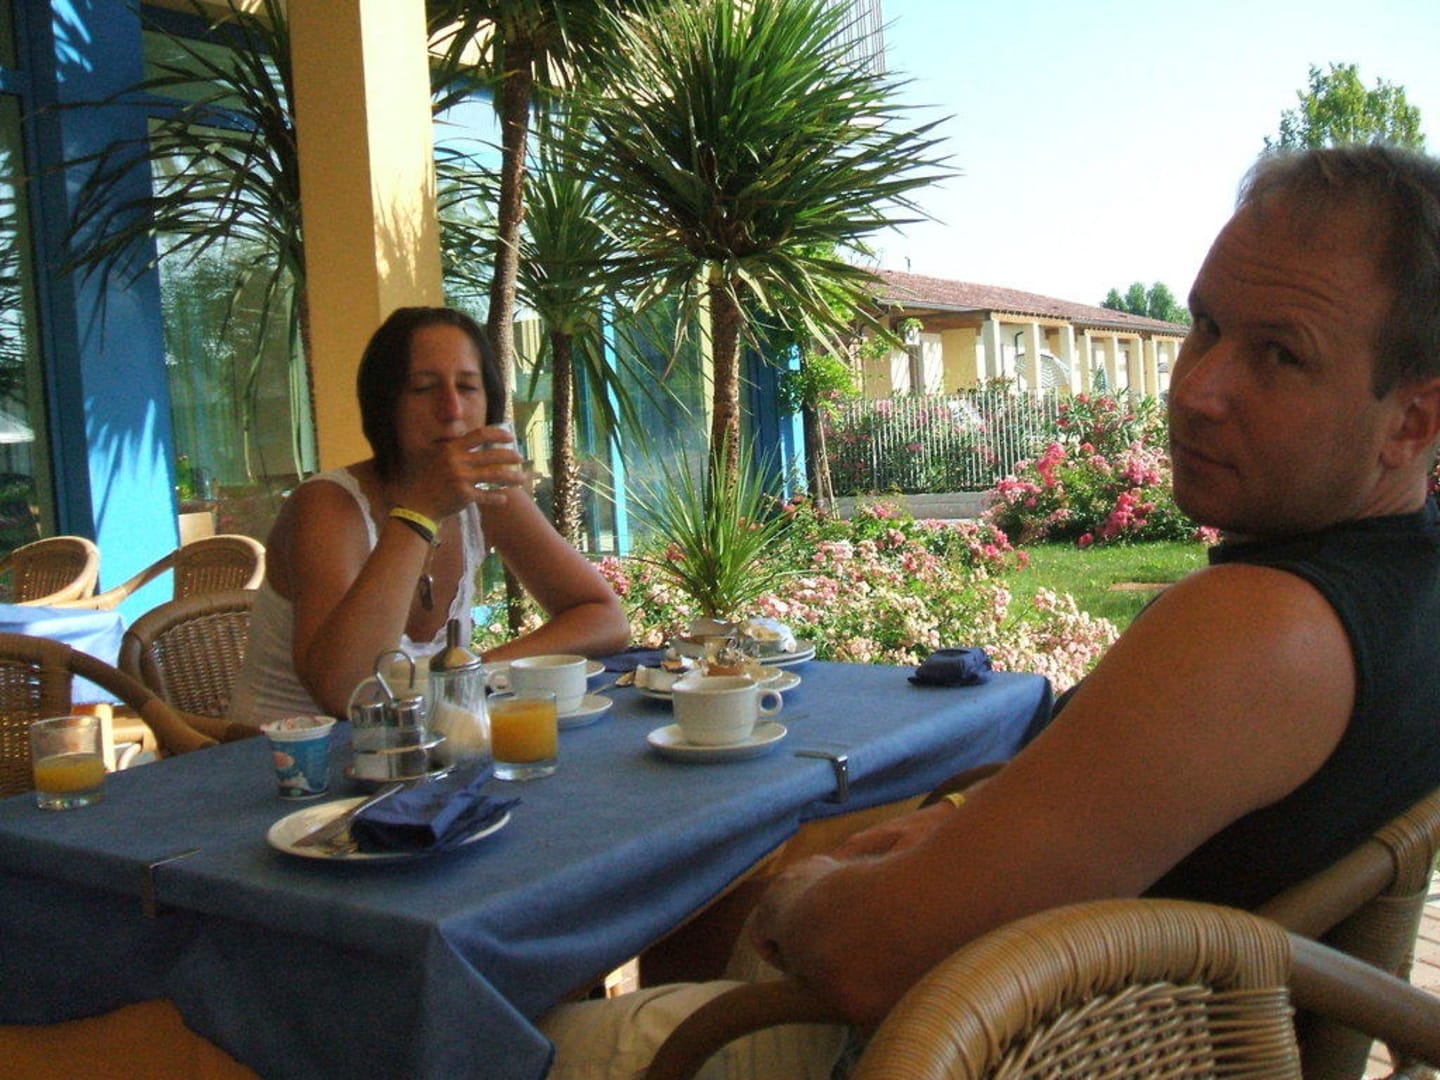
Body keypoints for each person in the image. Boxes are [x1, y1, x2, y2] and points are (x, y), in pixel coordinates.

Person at [540, 144, 1440, 1077]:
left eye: (1282, 355)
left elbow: (863, 958)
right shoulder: (1404, 580)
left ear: (1414, 421)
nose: (1199, 388)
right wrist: (967, 818)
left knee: (514, 1039)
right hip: (1089, 1013)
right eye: (1207, 326)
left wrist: (800, 896)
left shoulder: (1263, 629)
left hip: (953, 1046)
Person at [230, 306, 630, 726]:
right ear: (384, 403)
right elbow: (347, 692)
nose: (451, 408)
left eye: (468, 387)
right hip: (289, 757)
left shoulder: (486, 496)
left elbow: (604, 616)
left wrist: (476, 670)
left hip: (425, 744)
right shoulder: (327, 506)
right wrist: (420, 511)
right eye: (423, 388)